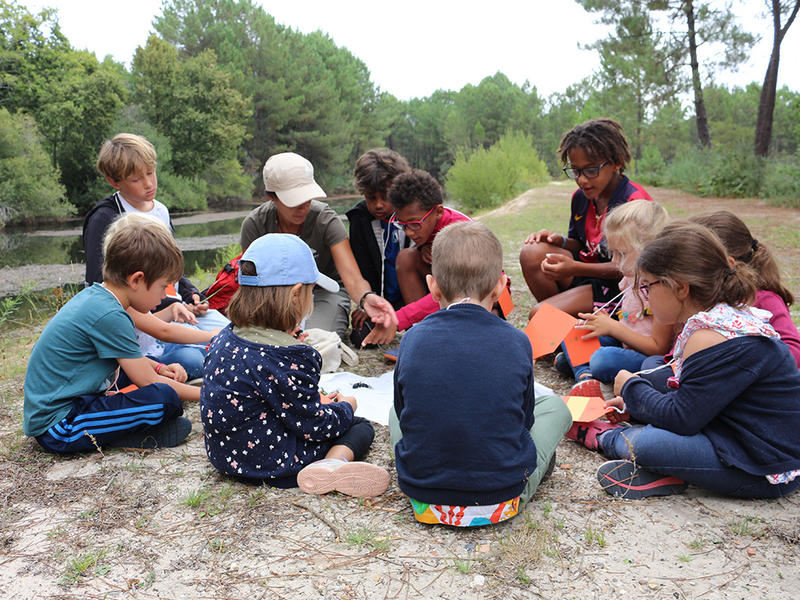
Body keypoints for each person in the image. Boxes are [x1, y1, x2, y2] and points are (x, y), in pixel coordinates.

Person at [567, 222, 800, 499]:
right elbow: (692, 391)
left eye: (647, 287)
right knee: (655, 399)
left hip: (761, 467)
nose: (645, 299)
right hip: (731, 432)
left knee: (649, 444)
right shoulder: (717, 317)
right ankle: (673, 471)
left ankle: (606, 437)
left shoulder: (709, 335)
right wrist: (634, 405)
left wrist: (631, 388)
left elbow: (681, 418)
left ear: (680, 288)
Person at [390, 222, 572, 526]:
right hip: (501, 500)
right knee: (555, 407)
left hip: (424, 500)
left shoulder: (412, 338)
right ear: (500, 286)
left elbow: (402, 410)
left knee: (397, 414)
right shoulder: (518, 341)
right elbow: (525, 420)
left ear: (433, 286)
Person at [200, 233, 390, 496]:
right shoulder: (291, 355)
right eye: (312, 292)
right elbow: (314, 426)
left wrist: (316, 401)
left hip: (226, 458)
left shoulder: (224, 337)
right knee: (360, 426)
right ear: (297, 294)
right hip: (275, 464)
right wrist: (346, 406)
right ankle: (331, 465)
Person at [24, 213, 201, 454]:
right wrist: (207, 395)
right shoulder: (109, 314)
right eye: (162, 287)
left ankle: (126, 429)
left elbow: (130, 362)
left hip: (80, 398)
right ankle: (122, 436)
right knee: (165, 398)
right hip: (59, 425)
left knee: (155, 376)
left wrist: (159, 368)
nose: (164, 296)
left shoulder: (102, 299)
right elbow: (148, 382)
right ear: (137, 280)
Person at [240, 152, 397, 344]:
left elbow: (352, 278)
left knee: (314, 340)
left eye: (307, 198)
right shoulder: (255, 224)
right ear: (272, 197)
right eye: (294, 200)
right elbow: (250, 284)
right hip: (274, 296)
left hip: (325, 292)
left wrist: (366, 298)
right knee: (260, 339)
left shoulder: (326, 220)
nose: (303, 206)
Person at [520, 118, 651, 318]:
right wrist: (560, 241)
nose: (581, 179)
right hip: (588, 275)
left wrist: (575, 268)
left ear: (617, 162)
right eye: (576, 171)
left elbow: (634, 267)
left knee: (540, 315)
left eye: (591, 170)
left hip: (621, 287)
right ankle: (566, 322)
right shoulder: (582, 198)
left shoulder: (633, 203)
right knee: (532, 253)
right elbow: (582, 245)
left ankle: (567, 320)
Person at [559, 200, 675, 398]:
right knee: (573, 331)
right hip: (623, 343)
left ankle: (582, 368)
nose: (614, 261)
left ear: (651, 250)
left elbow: (659, 348)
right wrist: (607, 321)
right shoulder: (631, 276)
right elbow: (629, 320)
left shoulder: (662, 288)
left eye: (621, 254)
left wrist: (613, 328)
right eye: (612, 252)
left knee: (603, 359)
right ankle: (585, 376)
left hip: (648, 357)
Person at [83, 133, 207, 315]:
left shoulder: (161, 211)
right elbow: (100, 284)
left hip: (173, 306)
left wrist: (190, 294)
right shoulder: (104, 218)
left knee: (224, 329)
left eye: (150, 173)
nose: (149, 184)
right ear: (114, 182)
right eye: (136, 179)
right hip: (133, 317)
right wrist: (170, 306)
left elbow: (168, 265)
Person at [690, 210, 800, 368]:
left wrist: (740, 366)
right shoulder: (703, 298)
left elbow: (794, 350)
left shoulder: (764, 299)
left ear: (727, 263)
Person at [386, 169, 472, 333]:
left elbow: (457, 290)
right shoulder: (426, 227)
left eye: (414, 224)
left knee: (474, 328)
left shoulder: (460, 232)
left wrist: (399, 319)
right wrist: (421, 247)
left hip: (483, 295)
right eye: (402, 224)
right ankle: (424, 330)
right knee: (406, 257)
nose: (408, 232)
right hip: (450, 289)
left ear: (438, 212)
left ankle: (434, 328)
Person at [347, 149, 412, 346]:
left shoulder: (414, 215)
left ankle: (413, 321)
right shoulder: (359, 220)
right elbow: (362, 270)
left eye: (385, 197)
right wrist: (366, 304)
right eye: (371, 198)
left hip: (412, 297)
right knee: (361, 336)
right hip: (379, 300)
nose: (378, 205)